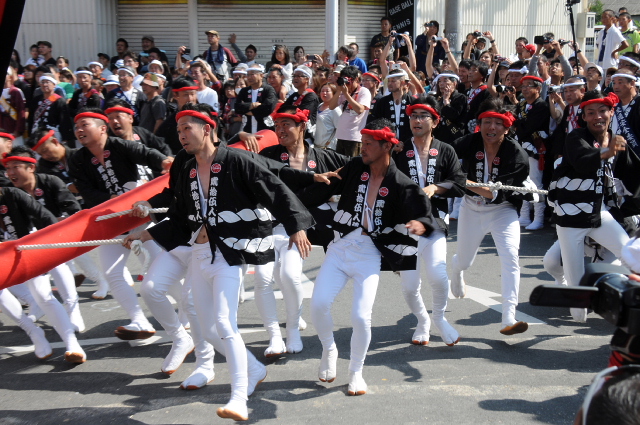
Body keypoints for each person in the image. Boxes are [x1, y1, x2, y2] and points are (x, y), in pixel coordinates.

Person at [124, 102, 315, 421]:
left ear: (207, 129)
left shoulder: (236, 160)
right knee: (208, 327)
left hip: (231, 250)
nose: (181, 135)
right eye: (179, 129)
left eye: (187, 128)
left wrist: (296, 227)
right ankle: (254, 369)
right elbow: (179, 213)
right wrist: (146, 234)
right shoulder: (187, 168)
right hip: (200, 253)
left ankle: (238, 397)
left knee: (224, 323)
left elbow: (276, 189)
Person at [298, 118, 435, 396]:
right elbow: (322, 190)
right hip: (340, 247)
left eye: (369, 143)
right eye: (362, 142)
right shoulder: (353, 168)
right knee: (318, 305)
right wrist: (290, 202)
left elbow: (423, 212)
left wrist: (421, 224)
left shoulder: (400, 183)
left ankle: (356, 372)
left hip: (369, 254)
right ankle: (329, 349)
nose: (363, 148)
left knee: (361, 317)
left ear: (386, 146)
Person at [68, 108, 172, 338]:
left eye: (85, 125)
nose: (79, 130)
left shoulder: (119, 145)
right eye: (77, 127)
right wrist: (111, 199)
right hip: (111, 220)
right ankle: (139, 321)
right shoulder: (77, 159)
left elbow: (145, 153)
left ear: (102, 128)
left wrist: (164, 161)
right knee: (112, 273)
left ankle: (185, 313)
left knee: (161, 269)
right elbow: (86, 191)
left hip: (139, 216)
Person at [255, 105, 348, 356]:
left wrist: (387, 152)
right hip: (271, 225)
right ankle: (275, 336)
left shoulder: (323, 156)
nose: (280, 130)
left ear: (302, 127)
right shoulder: (269, 155)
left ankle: (293, 327)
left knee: (289, 275)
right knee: (263, 278)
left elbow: (354, 168)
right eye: (277, 125)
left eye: (286, 125)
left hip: (304, 227)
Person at [548, 91, 637, 322]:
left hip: (599, 213)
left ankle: (629, 302)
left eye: (602, 111)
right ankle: (566, 290)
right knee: (572, 285)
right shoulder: (576, 137)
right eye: (591, 112)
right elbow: (582, 161)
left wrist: (631, 208)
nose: (597, 116)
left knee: (632, 254)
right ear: (584, 117)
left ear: (611, 112)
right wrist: (607, 151)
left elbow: (634, 175)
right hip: (570, 216)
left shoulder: (618, 141)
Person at [450, 97, 531, 335]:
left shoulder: (517, 154)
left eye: (498, 123)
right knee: (465, 261)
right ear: (479, 124)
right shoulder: (470, 141)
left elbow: (494, 193)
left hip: (502, 210)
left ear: (507, 127)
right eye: (487, 122)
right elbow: (442, 153)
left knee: (510, 257)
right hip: (471, 208)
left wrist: (463, 181)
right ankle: (457, 269)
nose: (491, 127)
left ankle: (508, 317)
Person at [394, 99, 465, 345]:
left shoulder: (445, 149)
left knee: (437, 274)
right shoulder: (399, 149)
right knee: (409, 285)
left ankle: (439, 318)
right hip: (405, 222)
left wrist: (435, 187)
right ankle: (422, 320)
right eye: (413, 115)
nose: (417, 120)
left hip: (435, 220)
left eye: (423, 116)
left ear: (435, 122)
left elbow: (458, 182)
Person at [0, 185, 86, 363]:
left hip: (27, 249)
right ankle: (33, 331)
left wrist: (58, 239)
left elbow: (44, 215)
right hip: (3, 256)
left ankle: (71, 343)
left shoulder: (12, 194)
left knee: (43, 296)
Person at [4, 146, 85, 332]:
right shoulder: (10, 193)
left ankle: (73, 310)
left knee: (59, 265)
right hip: (28, 244)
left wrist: (58, 223)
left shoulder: (51, 181)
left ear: (31, 167)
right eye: (8, 169)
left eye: (15, 167)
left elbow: (73, 209)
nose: (10, 173)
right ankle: (37, 305)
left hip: (59, 236)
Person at [513, 75, 550, 231]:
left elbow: (529, 127)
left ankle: (539, 217)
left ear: (538, 88)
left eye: (529, 85)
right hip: (521, 146)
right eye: (524, 86)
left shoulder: (542, 105)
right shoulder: (521, 104)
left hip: (535, 147)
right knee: (522, 180)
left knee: (536, 182)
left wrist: (518, 123)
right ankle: (524, 215)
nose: (525, 88)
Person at [328, 65, 372, 157]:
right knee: (340, 163)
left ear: (356, 79)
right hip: (341, 135)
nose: (346, 84)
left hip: (354, 137)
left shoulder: (364, 91)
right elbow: (331, 106)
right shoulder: (343, 91)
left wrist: (346, 94)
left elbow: (360, 109)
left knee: (352, 164)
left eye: (348, 81)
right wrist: (339, 91)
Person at [28, 74, 74, 146]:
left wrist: (66, 138)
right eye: (42, 82)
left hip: (53, 134)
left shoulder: (59, 101)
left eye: (47, 82)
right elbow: (31, 118)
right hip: (37, 133)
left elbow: (64, 121)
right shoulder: (35, 100)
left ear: (54, 85)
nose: (44, 84)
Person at [156, 76, 199, 154]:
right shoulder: (169, 124)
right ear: (175, 95)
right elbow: (160, 144)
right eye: (185, 95)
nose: (190, 99)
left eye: (192, 94)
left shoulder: (206, 116)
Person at [371, 69, 413, 141]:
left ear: (402, 83)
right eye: (389, 81)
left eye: (393, 81)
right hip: (387, 142)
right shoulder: (382, 102)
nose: (390, 83)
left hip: (408, 142)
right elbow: (377, 122)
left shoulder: (412, 101)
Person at [235, 64, 277, 133]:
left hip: (264, 128)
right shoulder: (244, 91)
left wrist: (248, 111)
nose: (249, 77)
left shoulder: (268, 89)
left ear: (261, 75)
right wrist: (252, 105)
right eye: (248, 75)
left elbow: (268, 107)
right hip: (247, 128)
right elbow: (237, 107)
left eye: (252, 74)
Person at [431, 73, 467, 142]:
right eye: (440, 81)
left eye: (445, 81)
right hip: (439, 136)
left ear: (454, 83)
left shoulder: (460, 97)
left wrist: (446, 101)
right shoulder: (438, 99)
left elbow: (453, 115)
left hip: (454, 136)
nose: (441, 84)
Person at [1, 67, 26, 146]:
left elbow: (21, 112)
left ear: (10, 77)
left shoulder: (16, 91)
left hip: (13, 128)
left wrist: (18, 130)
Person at [315, 82, 342, 150]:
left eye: (327, 91)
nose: (324, 93)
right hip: (317, 146)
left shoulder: (335, 109)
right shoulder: (319, 106)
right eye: (322, 91)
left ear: (334, 93)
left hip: (328, 147)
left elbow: (339, 129)